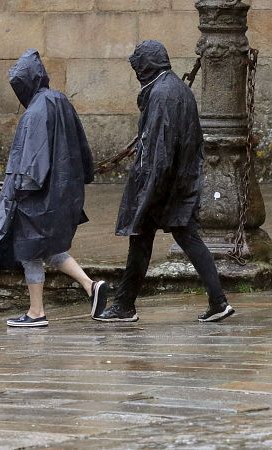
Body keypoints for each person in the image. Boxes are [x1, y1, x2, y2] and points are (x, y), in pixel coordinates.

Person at [94, 40, 234, 323]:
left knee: (143, 239)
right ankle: (218, 301)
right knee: (187, 238)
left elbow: (159, 150)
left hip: (164, 184)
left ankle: (124, 306)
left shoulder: (161, 95)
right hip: (179, 181)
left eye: (138, 68)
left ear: (146, 66)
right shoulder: (175, 88)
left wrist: (149, 192)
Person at [0, 49, 108, 327]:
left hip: (38, 196)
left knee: (29, 251)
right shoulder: (60, 101)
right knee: (47, 248)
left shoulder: (35, 111)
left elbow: (32, 161)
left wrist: (17, 192)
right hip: (62, 191)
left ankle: (36, 312)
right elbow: (81, 148)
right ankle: (90, 285)